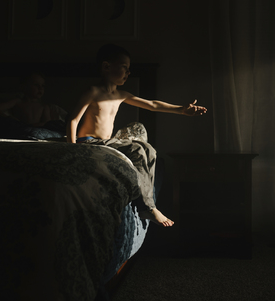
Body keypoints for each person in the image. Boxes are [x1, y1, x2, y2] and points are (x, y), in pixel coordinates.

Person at [67, 43, 207, 227]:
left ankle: (145, 192)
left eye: (129, 69)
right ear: (107, 66)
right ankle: (147, 207)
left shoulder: (120, 95)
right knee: (137, 149)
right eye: (124, 67)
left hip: (108, 142)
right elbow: (73, 120)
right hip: (89, 142)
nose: (128, 72)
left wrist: (181, 110)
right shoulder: (93, 92)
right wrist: (72, 148)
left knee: (146, 144)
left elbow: (153, 104)